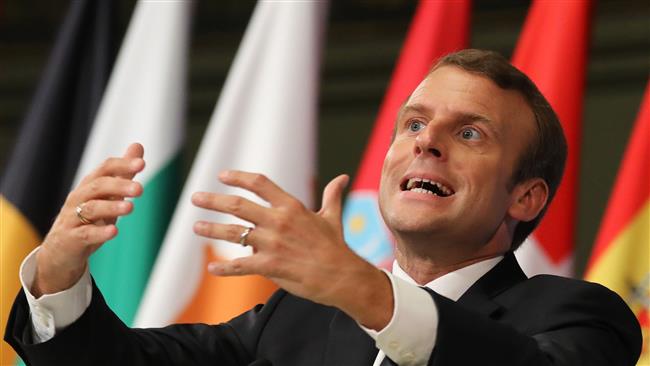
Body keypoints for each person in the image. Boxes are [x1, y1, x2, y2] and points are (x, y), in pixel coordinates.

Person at [4, 49, 642, 366]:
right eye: (413, 124)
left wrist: (367, 292)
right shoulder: (296, 322)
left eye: (470, 133)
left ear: (526, 196)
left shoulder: (580, 315)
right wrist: (58, 275)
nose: (427, 142)